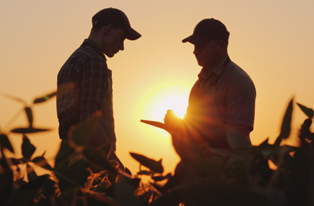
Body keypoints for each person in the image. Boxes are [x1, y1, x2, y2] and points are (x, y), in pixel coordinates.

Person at [57, 8, 141, 169]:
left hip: (68, 157)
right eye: (122, 38)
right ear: (108, 29)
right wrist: (114, 164)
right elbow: (89, 120)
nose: (122, 47)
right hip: (90, 161)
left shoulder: (71, 61)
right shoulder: (93, 60)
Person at [164, 18, 256, 160]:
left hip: (232, 170)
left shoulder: (238, 80)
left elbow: (239, 131)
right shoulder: (199, 85)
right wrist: (176, 125)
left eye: (201, 45)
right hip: (202, 166)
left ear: (221, 45)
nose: (195, 51)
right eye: (194, 46)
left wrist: (190, 133)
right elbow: (192, 125)